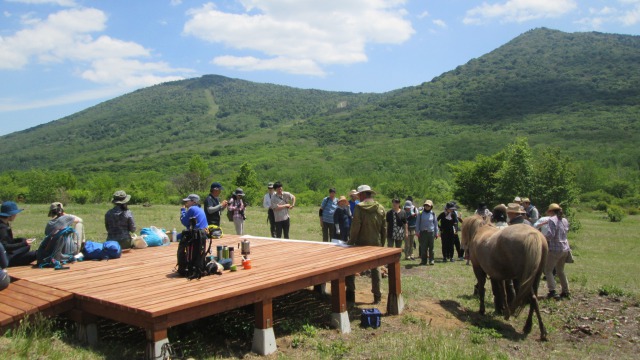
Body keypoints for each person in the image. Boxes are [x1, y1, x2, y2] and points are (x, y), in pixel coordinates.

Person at [347, 185, 386, 304]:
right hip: (375, 243)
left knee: (350, 268)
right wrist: (382, 244)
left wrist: (351, 242)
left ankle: (350, 294)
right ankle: (377, 296)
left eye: (359, 195)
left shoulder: (359, 208)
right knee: (376, 270)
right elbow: (384, 229)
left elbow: (355, 227)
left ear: (363, 195)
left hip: (360, 243)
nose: (358, 197)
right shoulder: (381, 208)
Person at [544, 203, 571, 299]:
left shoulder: (552, 220)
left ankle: (552, 291)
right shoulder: (564, 220)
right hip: (565, 248)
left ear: (551, 211)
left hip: (555, 249)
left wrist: (542, 238)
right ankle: (566, 291)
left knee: (548, 270)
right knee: (560, 271)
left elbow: (550, 234)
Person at [0, 201, 37, 266]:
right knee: (34, 254)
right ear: (10, 215)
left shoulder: (4, 224)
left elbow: (8, 241)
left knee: (27, 246)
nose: (16, 215)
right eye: (15, 214)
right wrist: (23, 243)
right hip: (5, 258)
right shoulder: (2, 228)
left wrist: (21, 240)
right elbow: (5, 246)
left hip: (6, 253)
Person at [415, 200, 438, 265]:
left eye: (428, 205)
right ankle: (423, 261)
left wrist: (436, 233)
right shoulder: (420, 213)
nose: (427, 207)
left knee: (431, 247)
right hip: (423, 232)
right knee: (423, 247)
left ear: (431, 207)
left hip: (431, 232)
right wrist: (417, 231)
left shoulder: (433, 214)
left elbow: (435, 224)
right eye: (426, 205)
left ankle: (431, 260)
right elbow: (417, 223)